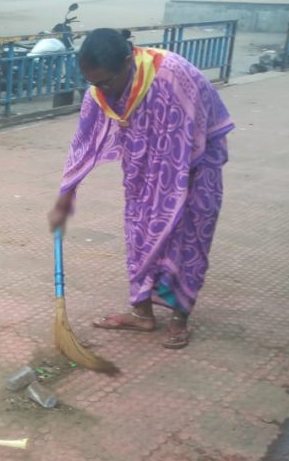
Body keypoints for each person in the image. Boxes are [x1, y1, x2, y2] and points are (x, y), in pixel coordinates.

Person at [48, 28, 234, 350]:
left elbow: (193, 134)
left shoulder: (172, 75)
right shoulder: (100, 91)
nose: (102, 89)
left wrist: (172, 192)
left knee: (184, 238)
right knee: (141, 236)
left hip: (193, 170)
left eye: (107, 81)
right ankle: (142, 313)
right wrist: (67, 190)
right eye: (94, 83)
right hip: (143, 176)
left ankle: (179, 318)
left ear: (128, 60)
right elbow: (84, 140)